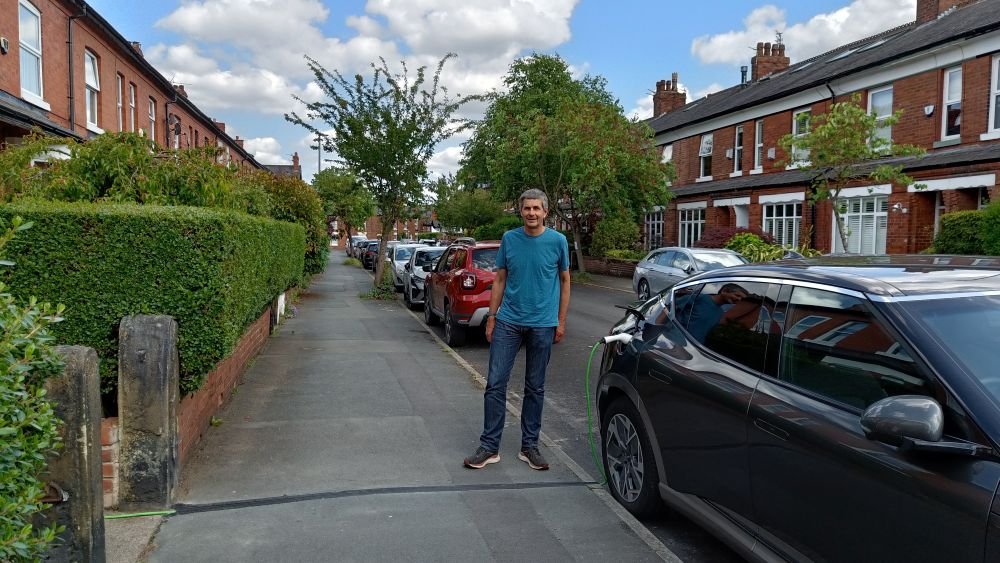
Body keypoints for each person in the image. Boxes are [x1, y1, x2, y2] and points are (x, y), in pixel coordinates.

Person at [463, 189, 571, 471]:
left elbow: (565, 281)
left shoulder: (558, 241)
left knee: (535, 387)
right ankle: (489, 447)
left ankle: (529, 446)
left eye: (537, 208)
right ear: (521, 211)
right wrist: (492, 317)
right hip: (508, 321)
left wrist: (560, 320)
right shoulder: (510, 240)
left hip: (543, 323)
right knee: (495, 383)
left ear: (546, 212)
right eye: (527, 209)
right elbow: (499, 280)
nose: (532, 213)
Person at [682, 283, 749, 343]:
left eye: (742, 298)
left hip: (695, 346)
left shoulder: (720, 312)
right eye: (737, 295)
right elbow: (673, 308)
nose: (739, 299)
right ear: (724, 291)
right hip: (679, 341)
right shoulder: (700, 298)